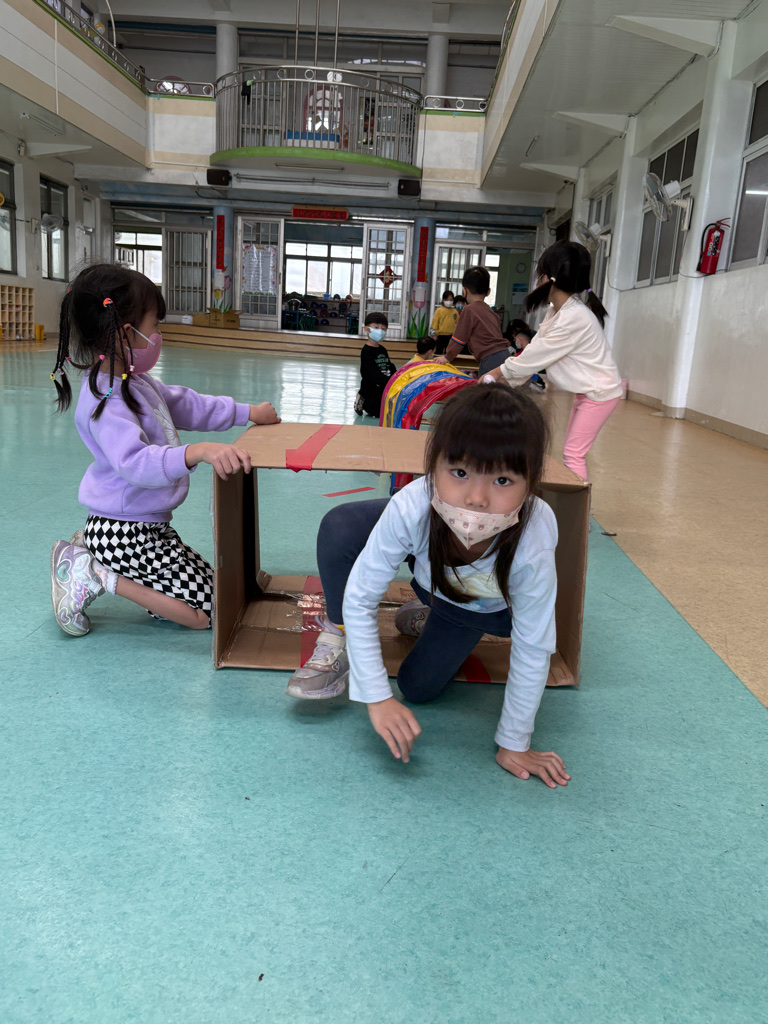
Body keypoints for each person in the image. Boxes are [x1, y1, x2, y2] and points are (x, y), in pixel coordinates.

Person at [285, 385, 570, 788]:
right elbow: (361, 596)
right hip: (432, 586)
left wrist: (514, 742)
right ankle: (345, 633)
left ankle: (437, 621)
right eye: (460, 473)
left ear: (531, 483)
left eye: (503, 479)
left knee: (417, 688)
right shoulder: (413, 504)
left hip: (484, 613)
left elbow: (533, 642)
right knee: (341, 526)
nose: (476, 498)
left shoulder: (535, 530)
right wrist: (376, 696)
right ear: (433, 465)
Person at [48, 263, 280, 638]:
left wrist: (247, 412)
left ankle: (105, 564)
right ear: (126, 332)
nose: (158, 335)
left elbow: (186, 404)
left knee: (221, 589)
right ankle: (93, 573)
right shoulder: (104, 399)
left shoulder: (135, 381)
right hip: (124, 533)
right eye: (155, 325)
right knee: (212, 612)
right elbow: (135, 463)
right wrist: (195, 452)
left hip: (149, 528)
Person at [484, 241, 622, 480]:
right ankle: (573, 497)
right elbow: (533, 351)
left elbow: (535, 357)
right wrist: (501, 378)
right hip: (589, 390)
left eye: (540, 275)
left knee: (573, 454)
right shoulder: (557, 312)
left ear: (550, 278)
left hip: (600, 392)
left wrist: (496, 374)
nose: (537, 282)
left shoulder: (573, 317)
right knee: (572, 451)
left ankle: (577, 502)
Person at [434, 266, 509, 377]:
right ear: (488, 292)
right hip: (504, 356)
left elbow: (459, 338)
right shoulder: (492, 313)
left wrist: (447, 357)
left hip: (489, 359)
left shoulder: (469, 310)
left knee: (485, 387)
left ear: (464, 290)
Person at [355, 311, 396, 417]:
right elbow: (371, 372)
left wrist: (395, 375)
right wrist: (387, 380)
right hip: (371, 386)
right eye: (376, 327)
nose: (380, 331)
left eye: (383, 329)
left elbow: (389, 364)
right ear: (367, 329)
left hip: (383, 385)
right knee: (376, 413)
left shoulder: (382, 349)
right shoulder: (366, 351)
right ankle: (361, 397)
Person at [429, 289, 458, 354]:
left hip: (451, 336)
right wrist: (434, 334)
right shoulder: (439, 311)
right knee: (438, 352)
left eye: (451, 300)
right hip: (440, 336)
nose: (449, 301)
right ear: (443, 300)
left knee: (449, 353)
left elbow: (457, 323)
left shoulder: (455, 311)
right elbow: (434, 323)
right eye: (447, 300)